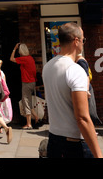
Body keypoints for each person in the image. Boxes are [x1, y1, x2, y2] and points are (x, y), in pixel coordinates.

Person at [42, 22, 102, 158]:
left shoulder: (48, 67)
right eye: (83, 40)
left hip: (54, 139)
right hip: (74, 144)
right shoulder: (75, 70)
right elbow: (82, 118)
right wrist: (98, 154)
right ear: (76, 40)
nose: (83, 43)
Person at [10, 42, 38, 129]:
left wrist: (14, 49)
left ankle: (29, 124)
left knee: (25, 101)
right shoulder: (30, 58)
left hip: (26, 82)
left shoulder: (24, 59)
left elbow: (11, 59)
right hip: (32, 82)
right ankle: (36, 116)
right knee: (27, 101)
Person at [76, 53, 102, 125]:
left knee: (89, 111)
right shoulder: (79, 60)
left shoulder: (80, 61)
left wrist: (87, 90)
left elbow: (86, 76)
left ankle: (92, 128)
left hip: (86, 89)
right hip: (85, 88)